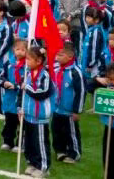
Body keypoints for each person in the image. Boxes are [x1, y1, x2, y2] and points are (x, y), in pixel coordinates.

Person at [21, 46, 54, 177]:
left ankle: (43, 167)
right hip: (28, 114)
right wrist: (20, 108)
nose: (26, 62)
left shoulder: (45, 75)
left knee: (40, 142)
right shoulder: (28, 74)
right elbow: (21, 93)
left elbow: (41, 93)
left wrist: (27, 87)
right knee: (29, 142)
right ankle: (32, 163)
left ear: (39, 61)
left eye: (29, 59)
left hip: (40, 116)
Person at [52, 44, 85, 165]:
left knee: (71, 133)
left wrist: (77, 110)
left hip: (69, 111)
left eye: (61, 55)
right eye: (57, 54)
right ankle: (60, 150)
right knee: (56, 131)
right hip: (56, 109)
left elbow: (81, 92)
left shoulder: (76, 72)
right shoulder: (56, 70)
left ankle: (74, 153)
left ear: (70, 56)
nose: (57, 57)